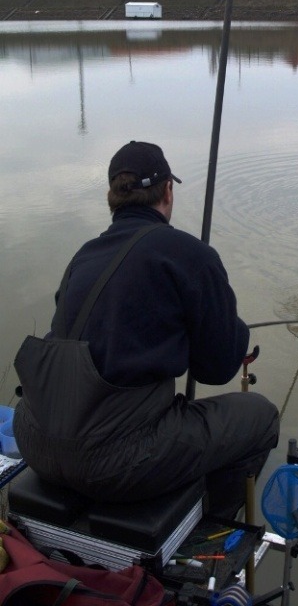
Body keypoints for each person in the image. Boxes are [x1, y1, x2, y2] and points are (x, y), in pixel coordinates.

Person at [14, 141, 279, 518]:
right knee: (261, 416)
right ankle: (207, 534)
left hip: (35, 441)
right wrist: (232, 333)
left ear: (114, 198)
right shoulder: (191, 255)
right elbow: (217, 369)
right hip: (117, 463)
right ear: (168, 190)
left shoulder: (83, 256)